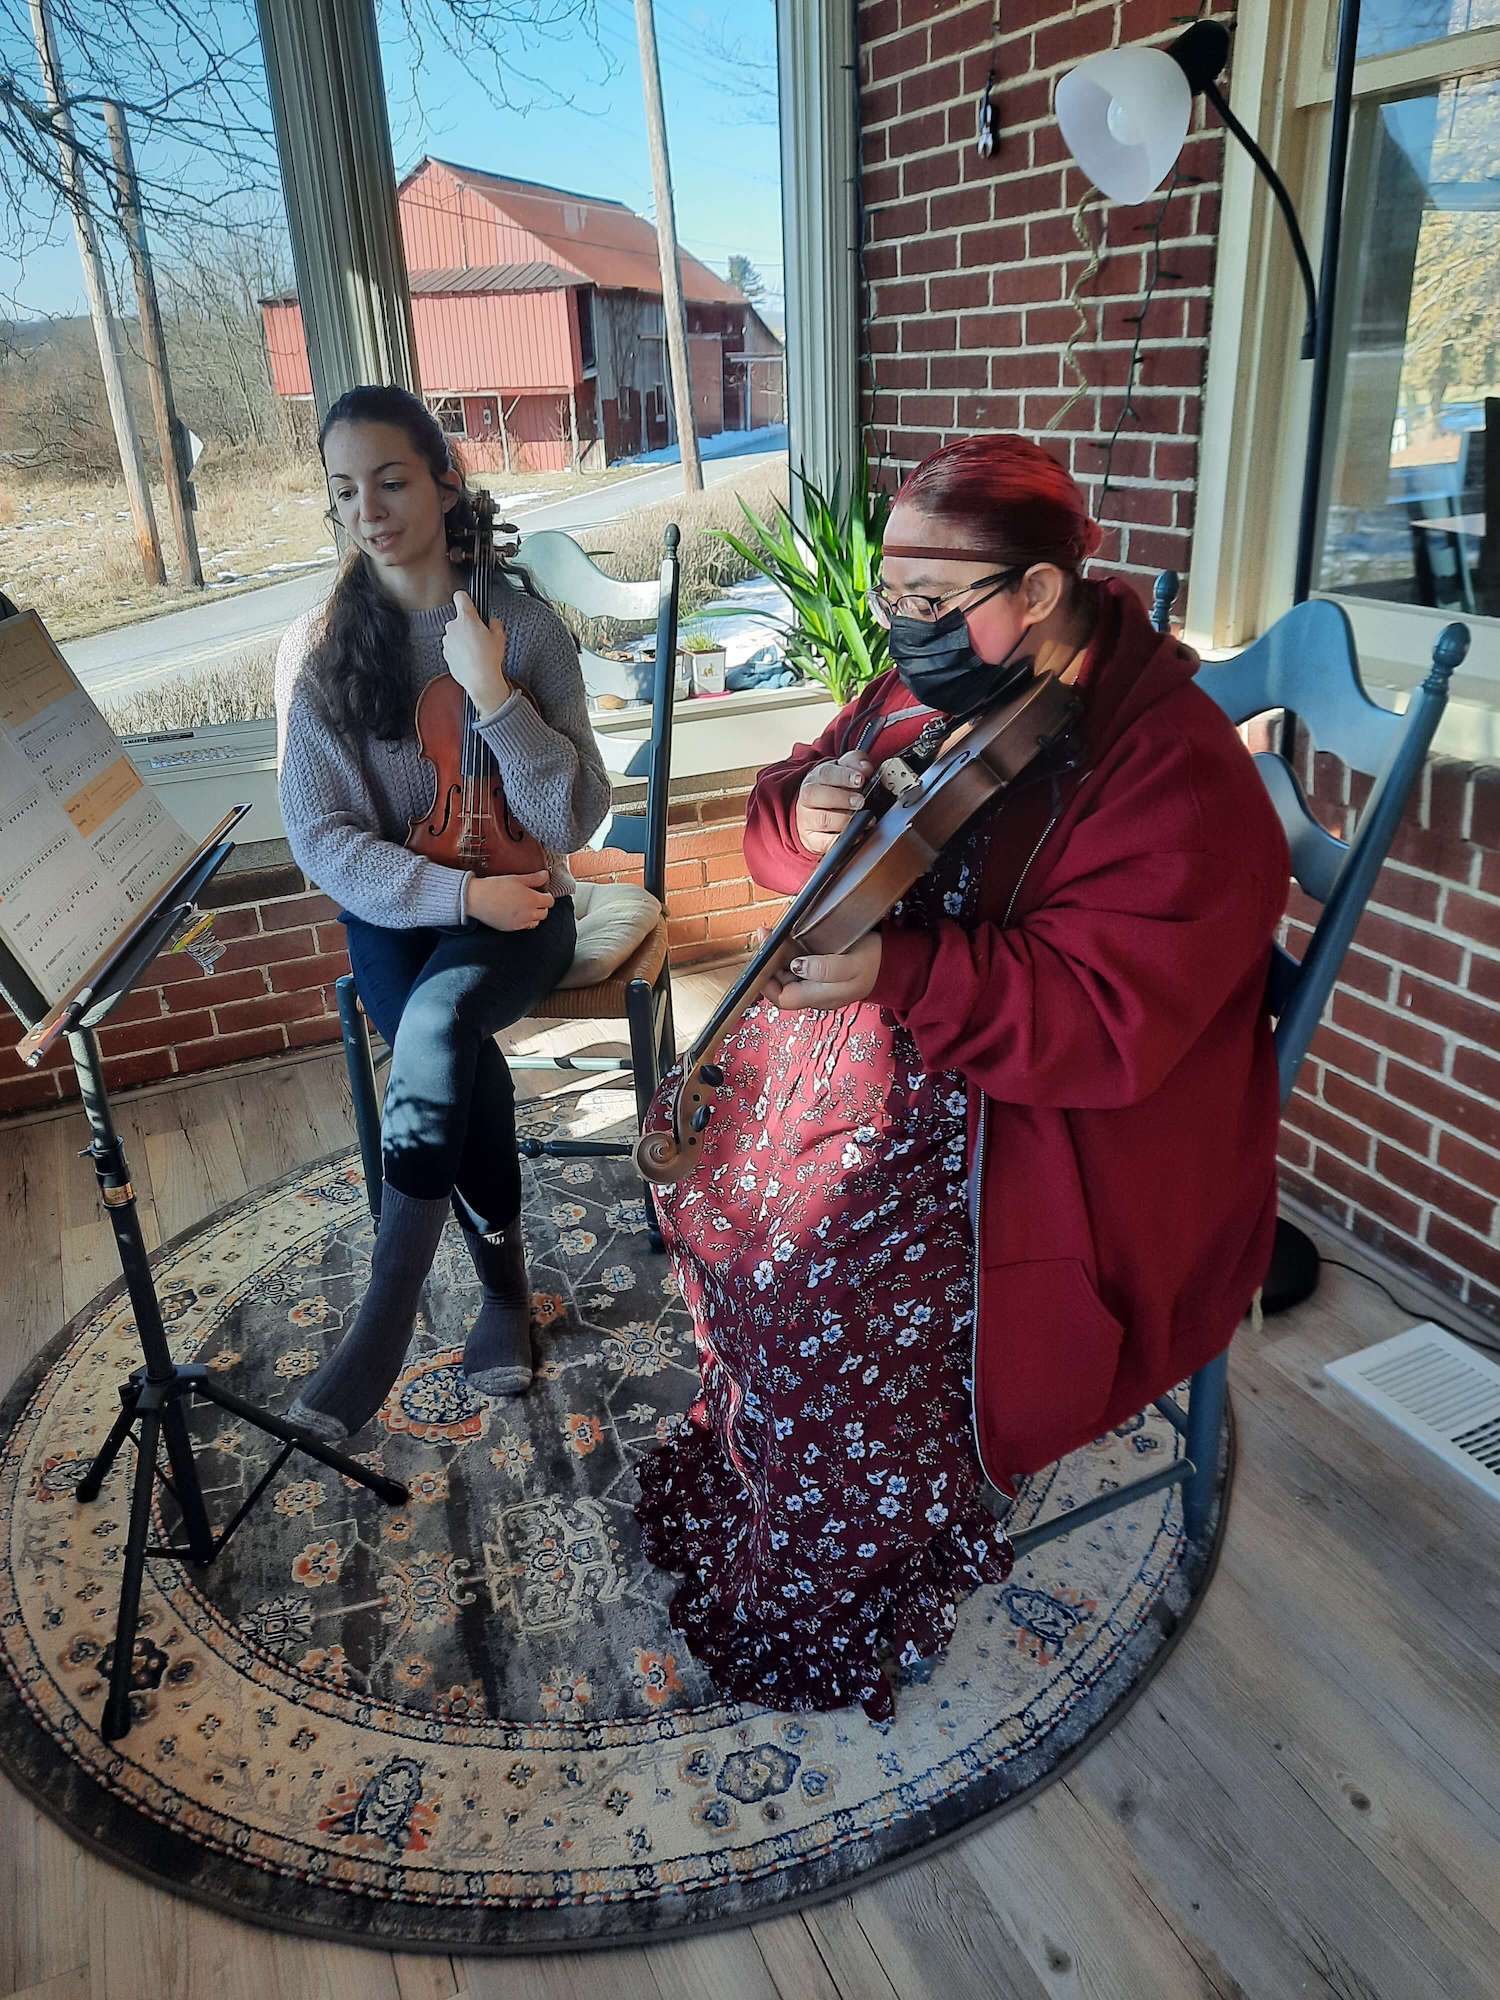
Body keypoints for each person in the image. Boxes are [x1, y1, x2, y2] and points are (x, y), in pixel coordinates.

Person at [634, 433, 1289, 1720]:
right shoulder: (936, 686)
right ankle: (778, 1470)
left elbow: (1106, 1021)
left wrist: (907, 973)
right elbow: (788, 822)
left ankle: (849, 1560)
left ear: (1039, 593)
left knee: (809, 1272)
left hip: (1054, 1140)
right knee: (711, 1186)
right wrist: (800, 806)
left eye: (930, 605)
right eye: (890, 597)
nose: (900, 630)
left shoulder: (1177, 779)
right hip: (905, 1082)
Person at [274, 384, 610, 1442]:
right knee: (451, 1041)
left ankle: (389, 1314)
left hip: (525, 904)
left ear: (445, 481)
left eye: (390, 479)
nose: (367, 508)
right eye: (344, 490)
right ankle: (503, 1292)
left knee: (433, 1027)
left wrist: (498, 696)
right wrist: (452, 892)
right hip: (401, 910)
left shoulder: (522, 625)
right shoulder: (323, 652)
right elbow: (322, 838)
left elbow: (577, 809)